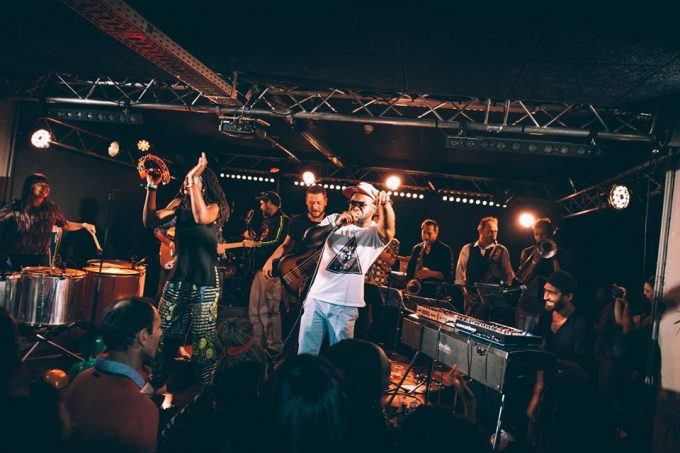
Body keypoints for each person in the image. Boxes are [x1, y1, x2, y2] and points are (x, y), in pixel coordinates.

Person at [142, 152, 230, 392]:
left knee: (202, 341)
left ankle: (205, 388)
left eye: (193, 181)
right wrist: (151, 187)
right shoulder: (179, 206)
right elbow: (150, 221)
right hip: (179, 279)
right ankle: (156, 380)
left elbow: (201, 217)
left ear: (203, 185)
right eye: (187, 181)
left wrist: (195, 180)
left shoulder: (215, 207)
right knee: (163, 333)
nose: (188, 184)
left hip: (206, 281)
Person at [297, 181, 395, 355]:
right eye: (352, 203)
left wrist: (386, 205)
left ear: (374, 208)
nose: (355, 207)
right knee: (305, 353)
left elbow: (388, 230)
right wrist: (336, 224)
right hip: (317, 299)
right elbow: (309, 239)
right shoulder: (335, 219)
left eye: (361, 204)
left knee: (340, 357)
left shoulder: (373, 233)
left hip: (344, 305)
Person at [62, 297, 162, 452]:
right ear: (143, 336)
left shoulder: (80, 379)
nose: (161, 333)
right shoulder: (141, 408)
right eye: (159, 327)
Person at [526, 271, 592, 449]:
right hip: (543, 387)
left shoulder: (581, 324)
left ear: (568, 296)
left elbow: (582, 371)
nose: (545, 296)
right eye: (545, 290)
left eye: (551, 292)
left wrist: (548, 359)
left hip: (568, 397)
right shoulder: (546, 317)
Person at [262, 185, 327, 348]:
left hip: (321, 281)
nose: (315, 206)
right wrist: (271, 260)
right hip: (297, 275)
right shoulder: (298, 222)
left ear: (325, 201)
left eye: (318, 202)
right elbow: (285, 246)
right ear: (306, 201)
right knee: (293, 317)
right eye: (311, 202)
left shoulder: (331, 224)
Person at [0, 173, 96, 269]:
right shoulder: (15, 205)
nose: (44, 187)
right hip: (14, 258)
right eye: (39, 184)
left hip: (39, 260)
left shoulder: (51, 208)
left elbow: (65, 224)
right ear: (29, 187)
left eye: (46, 185)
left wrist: (84, 225)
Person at [246, 190, 290, 355]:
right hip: (259, 269)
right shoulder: (267, 221)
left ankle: (274, 347)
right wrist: (253, 239)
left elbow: (279, 241)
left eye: (262, 203)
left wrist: (256, 244)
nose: (260, 206)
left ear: (270, 202)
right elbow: (262, 239)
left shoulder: (283, 220)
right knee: (254, 310)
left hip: (272, 272)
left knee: (269, 311)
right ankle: (257, 346)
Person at [516, 218, 574, 331]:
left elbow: (560, 281)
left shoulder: (562, 253)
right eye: (536, 234)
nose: (539, 237)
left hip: (548, 307)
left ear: (551, 234)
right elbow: (523, 280)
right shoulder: (527, 252)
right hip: (527, 305)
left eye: (543, 234)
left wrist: (555, 258)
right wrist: (534, 261)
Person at [455, 216, 514, 318]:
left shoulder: (502, 250)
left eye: (495, 232)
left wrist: (500, 274)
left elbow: (510, 278)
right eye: (490, 231)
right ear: (480, 230)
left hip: (491, 302)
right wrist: (467, 296)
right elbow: (459, 276)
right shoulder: (467, 248)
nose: (493, 236)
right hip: (472, 299)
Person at [405, 219, 452, 298]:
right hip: (417, 292)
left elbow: (448, 276)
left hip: (435, 294)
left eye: (429, 233)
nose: (426, 236)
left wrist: (430, 273)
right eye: (424, 232)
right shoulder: (417, 248)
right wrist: (409, 285)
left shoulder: (445, 250)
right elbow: (410, 271)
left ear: (436, 233)